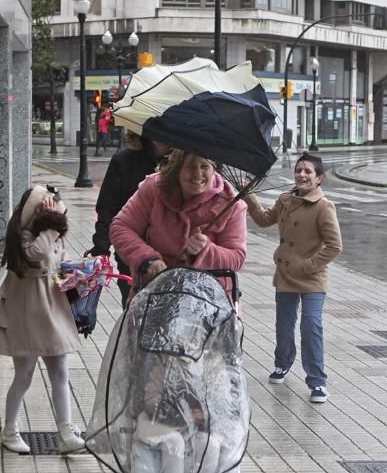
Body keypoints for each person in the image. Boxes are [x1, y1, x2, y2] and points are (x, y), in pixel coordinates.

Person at [0, 185, 85, 454]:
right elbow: (37, 254)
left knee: (60, 371)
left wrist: (79, 270)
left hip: (51, 309)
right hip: (28, 311)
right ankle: (10, 430)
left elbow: (56, 259)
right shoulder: (24, 234)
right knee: (24, 374)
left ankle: (66, 432)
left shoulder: (48, 233)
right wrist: (51, 224)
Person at [246, 154, 342, 404]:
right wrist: (249, 196)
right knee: (284, 325)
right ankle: (282, 364)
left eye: (308, 171)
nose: (302, 175)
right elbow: (264, 219)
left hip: (312, 276)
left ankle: (317, 381)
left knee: (311, 326)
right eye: (299, 170)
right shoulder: (285, 200)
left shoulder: (324, 207)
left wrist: (307, 265)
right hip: (286, 272)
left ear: (319, 178)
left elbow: (334, 246)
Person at [109, 150, 247, 298]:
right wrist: (146, 258)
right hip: (155, 293)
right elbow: (121, 227)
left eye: (204, 166)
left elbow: (236, 257)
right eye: (190, 166)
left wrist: (206, 249)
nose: (198, 174)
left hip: (210, 300)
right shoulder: (154, 188)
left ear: (213, 169)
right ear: (177, 168)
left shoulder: (231, 203)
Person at [134, 353, 221, 473]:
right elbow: (151, 399)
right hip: (166, 423)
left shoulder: (212, 362)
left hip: (200, 427)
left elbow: (220, 398)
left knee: (211, 445)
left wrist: (204, 413)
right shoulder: (164, 362)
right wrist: (180, 414)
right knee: (174, 442)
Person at [88, 131, 171, 307]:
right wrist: (101, 247)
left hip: (171, 254)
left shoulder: (185, 164)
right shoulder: (124, 160)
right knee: (135, 310)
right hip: (132, 252)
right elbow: (108, 206)